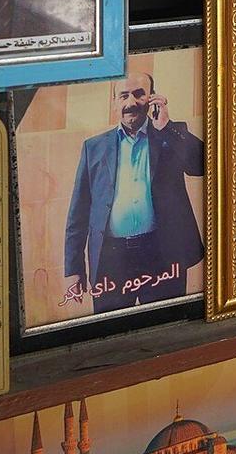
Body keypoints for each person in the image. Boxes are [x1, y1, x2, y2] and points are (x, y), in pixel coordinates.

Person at [63, 72, 205, 312]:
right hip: (111, 259)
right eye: (123, 96)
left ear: (152, 98)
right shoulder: (93, 148)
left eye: (139, 94)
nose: (131, 102)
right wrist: (74, 269)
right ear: (114, 102)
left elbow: (202, 165)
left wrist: (167, 127)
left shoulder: (169, 136)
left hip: (162, 253)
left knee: (166, 323)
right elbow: (78, 213)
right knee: (112, 327)